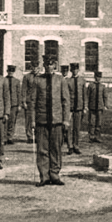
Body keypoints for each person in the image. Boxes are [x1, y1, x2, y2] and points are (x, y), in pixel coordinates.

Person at [28, 57, 70, 186]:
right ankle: (44, 176)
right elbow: (33, 102)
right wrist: (33, 120)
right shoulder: (37, 80)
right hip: (42, 120)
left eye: (51, 65)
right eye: (46, 64)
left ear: (55, 66)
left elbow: (66, 101)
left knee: (56, 149)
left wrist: (66, 120)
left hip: (57, 120)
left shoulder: (60, 80)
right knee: (42, 149)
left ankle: (55, 175)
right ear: (44, 66)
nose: (49, 67)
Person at [67, 62, 87, 155]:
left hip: (79, 107)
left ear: (78, 70)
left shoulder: (82, 80)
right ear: (71, 70)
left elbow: (84, 95)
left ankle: (76, 146)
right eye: (73, 70)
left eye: (76, 69)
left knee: (77, 128)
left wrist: (85, 106)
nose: (74, 71)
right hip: (70, 108)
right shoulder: (67, 81)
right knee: (69, 128)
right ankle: (70, 146)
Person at [86, 69, 108, 142]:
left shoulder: (103, 86)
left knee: (99, 122)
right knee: (91, 122)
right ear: (94, 77)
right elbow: (87, 96)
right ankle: (91, 136)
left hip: (99, 107)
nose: (98, 78)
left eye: (99, 77)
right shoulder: (91, 85)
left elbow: (105, 96)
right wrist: (86, 105)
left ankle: (97, 136)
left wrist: (105, 105)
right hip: (92, 106)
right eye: (96, 77)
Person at [20, 63, 37, 143]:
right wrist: (23, 101)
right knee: (29, 119)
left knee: (38, 118)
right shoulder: (27, 77)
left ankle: (37, 136)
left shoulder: (41, 77)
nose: (35, 69)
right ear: (31, 67)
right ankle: (29, 136)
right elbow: (23, 89)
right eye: (33, 67)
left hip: (38, 101)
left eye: (36, 67)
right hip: (29, 101)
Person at [5, 65, 21, 144]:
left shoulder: (16, 81)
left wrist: (19, 104)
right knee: (5, 121)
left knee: (12, 121)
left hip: (14, 104)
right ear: (7, 71)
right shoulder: (3, 80)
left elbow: (18, 93)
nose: (10, 72)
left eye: (12, 71)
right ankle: (4, 137)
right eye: (9, 71)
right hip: (5, 104)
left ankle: (10, 137)